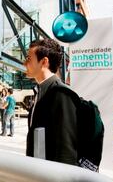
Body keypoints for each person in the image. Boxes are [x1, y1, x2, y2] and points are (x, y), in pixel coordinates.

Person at [24, 38, 78, 166]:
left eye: (28, 59)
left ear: (44, 62)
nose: (24, 63)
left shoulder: (61, 95)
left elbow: (67, 152)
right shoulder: (41, 91)